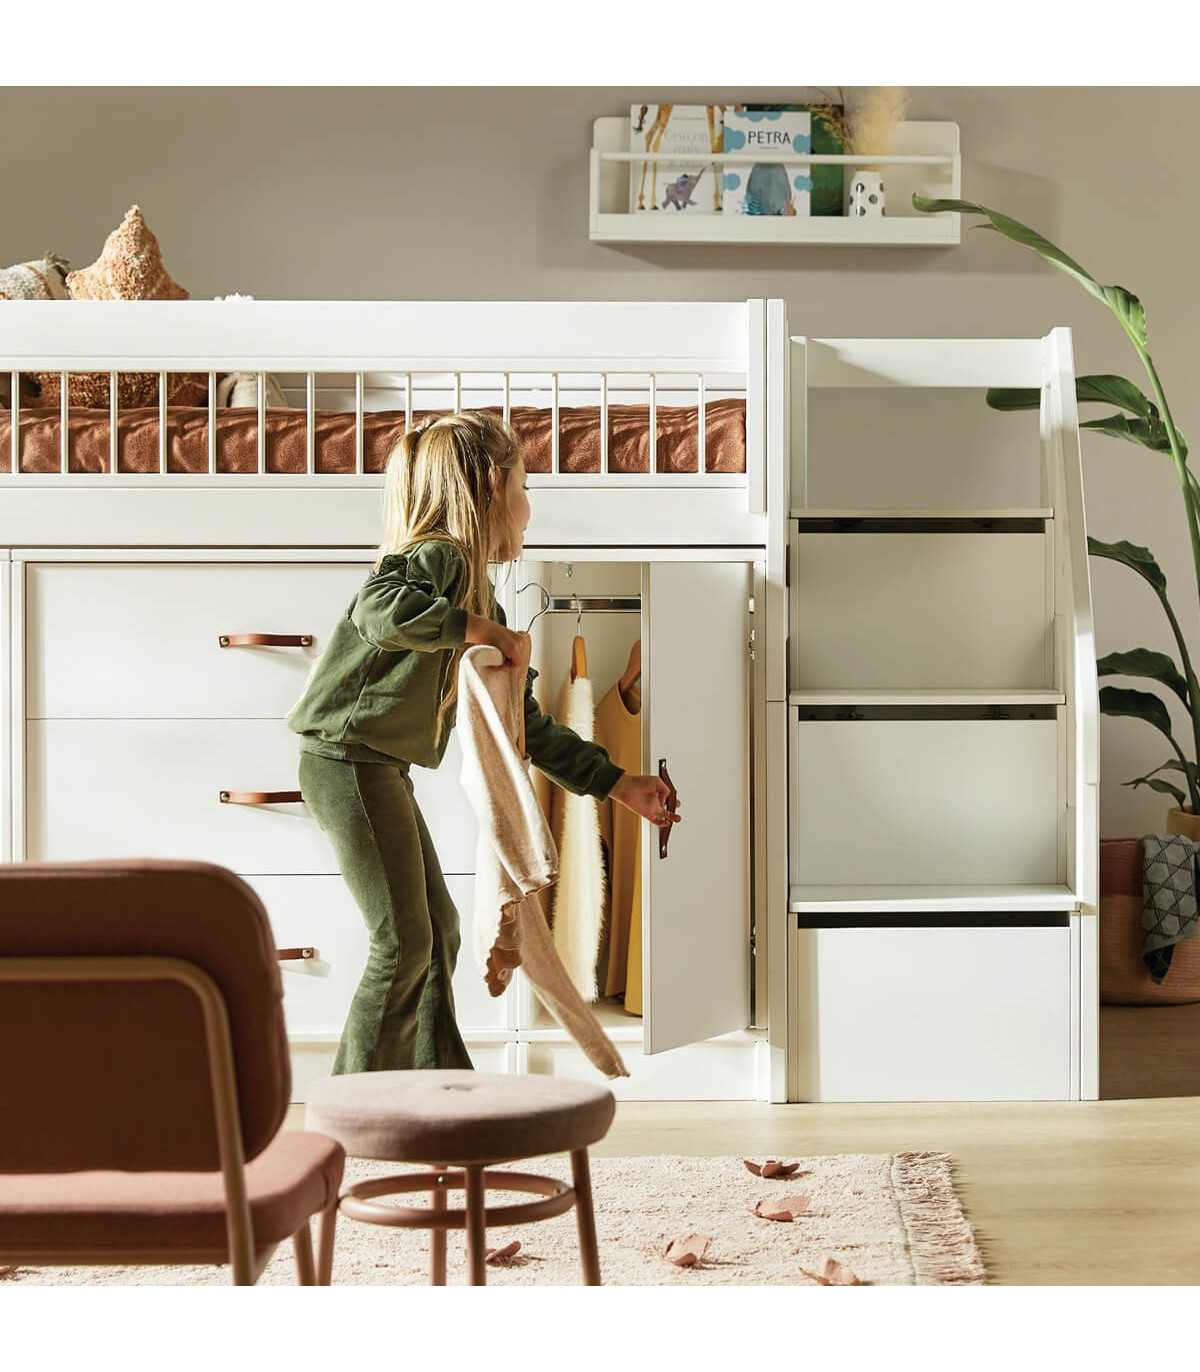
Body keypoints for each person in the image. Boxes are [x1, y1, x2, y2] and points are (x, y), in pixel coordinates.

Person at [287, 410, 679, 1074]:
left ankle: (441, 1085)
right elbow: (378, 609)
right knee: (402, 943)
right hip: (344, 761)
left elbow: (528, 726)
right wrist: (482, 631)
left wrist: (618, 784)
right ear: (491, 489)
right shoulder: (437, 557)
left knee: (436, 932)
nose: (529, 510)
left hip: (376, 768)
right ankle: (352, 1106)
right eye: (525, 488)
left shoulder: (480, 601)